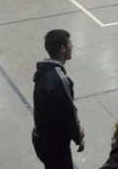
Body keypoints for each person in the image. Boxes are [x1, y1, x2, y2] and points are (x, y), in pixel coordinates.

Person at [32, 29, 85, 169]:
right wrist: (78, 137)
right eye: (69, 43)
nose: (72, 46)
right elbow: (69, 112)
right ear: (62, 49)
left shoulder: (42, 72)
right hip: (55, 145)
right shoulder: (60, 80)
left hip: (41, 138)